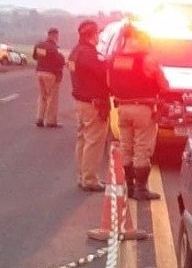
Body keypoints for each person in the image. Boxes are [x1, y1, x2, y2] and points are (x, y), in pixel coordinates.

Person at [107, 24, 170, 200]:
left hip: (122, 108)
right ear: (140, 40)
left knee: (126, 147)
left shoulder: (115, 58)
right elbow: (163, 85)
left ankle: (129, 186)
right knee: (142, 149)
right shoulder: (147, 59)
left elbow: (109, 83)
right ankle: (141, 190)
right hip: (143, 108)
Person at [68, 20, 109, 192]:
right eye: (97, 34)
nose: (99, 37)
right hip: (93, 104)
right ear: (93, 35)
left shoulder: (74, 52)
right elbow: (105, 74)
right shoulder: (91, 55)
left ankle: (82, 175)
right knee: (93, 142)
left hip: (80, 102)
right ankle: (90, 179)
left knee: (83, 140)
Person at [32, 27, 65, 128]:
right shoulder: (55, 48)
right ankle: (51, 121)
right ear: (54, 35)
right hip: (51, 74)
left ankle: (39, 118)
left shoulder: (40, 45)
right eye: (57, 36)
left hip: (40, 72)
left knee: (42, 96)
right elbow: (61, 61)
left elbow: (35, 57)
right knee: (52, 98)